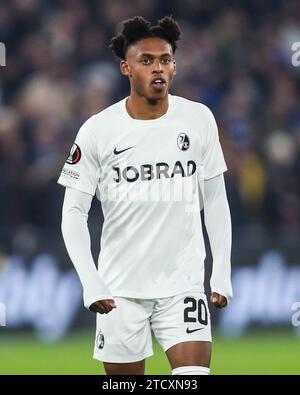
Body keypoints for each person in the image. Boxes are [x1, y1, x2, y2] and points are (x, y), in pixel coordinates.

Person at [58, 15, 232, 375]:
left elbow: (215, 199)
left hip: (182, 284)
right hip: (119, 291)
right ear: (126, 67)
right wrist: (91, 281)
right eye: (146, 60)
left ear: (175, 66)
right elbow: (73, 213)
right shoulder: (98, 130)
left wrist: (222, 271)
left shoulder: (199, 119)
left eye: (165, 59)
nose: (158, 68)